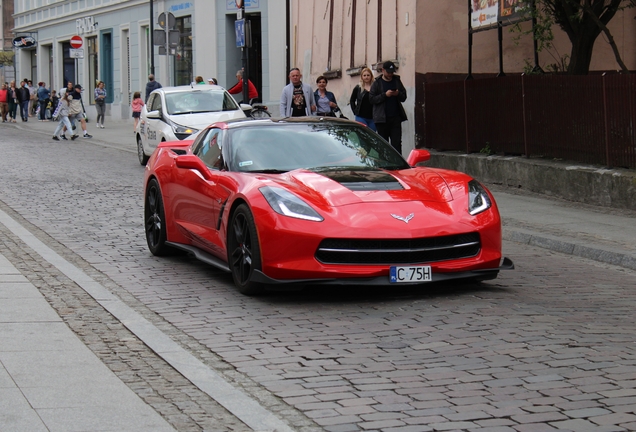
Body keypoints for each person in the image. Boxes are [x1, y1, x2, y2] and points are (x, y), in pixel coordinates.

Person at [369, 61, 407, 153]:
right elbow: (371, 99)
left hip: (395, 118)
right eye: (388, 72)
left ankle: (398, 164)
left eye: (392, 72)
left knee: (397, 143)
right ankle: (385, 164)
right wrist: (385, 95)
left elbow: (404, 97)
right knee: (383, 144)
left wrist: (398, 94)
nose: (390, 74)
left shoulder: (397, 81)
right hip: (382, 119)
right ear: (383, 70)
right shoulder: (377, 83)